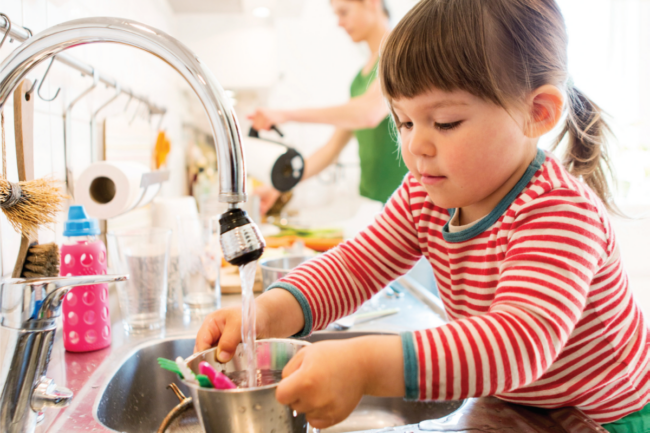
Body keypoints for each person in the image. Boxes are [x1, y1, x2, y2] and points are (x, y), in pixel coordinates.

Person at [197, 0, 650, 431]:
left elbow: (517, 342)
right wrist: (268, 313)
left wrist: (365, 365)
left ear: (537, 113)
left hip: (608, 415)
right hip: (524, 402)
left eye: (446, 122)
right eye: (405, 122)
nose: (415, 145)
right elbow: (355, 266)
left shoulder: (558, 211)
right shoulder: (424, 195)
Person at [249, 0, 408, 213]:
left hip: (407, 201)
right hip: (375, 204)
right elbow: (331, 149)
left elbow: (368, 113)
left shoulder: (401, 54)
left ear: (372, 3)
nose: (339, 23)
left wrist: (285, 114)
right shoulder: (358, 81)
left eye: (344, 12)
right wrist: (279, 185)